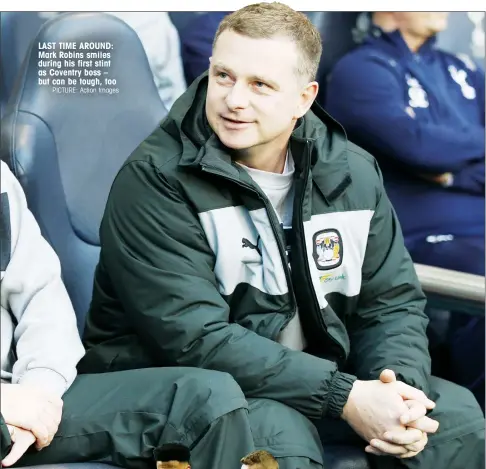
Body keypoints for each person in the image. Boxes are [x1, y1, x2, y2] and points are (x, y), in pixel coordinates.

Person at [80, 3, 485, 468]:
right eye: (224, 76)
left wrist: (398, 390)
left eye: (260, 85)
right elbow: (193, 337)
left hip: (309, 378)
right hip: (186, 387)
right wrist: (345, 396)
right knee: (273, 435)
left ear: (304, 98)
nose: (234, 99)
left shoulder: (351, 171)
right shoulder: (155, 178)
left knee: (450, 419)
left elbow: (390, 301)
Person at [0, 160, 321, 469]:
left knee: (277, 430)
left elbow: (43, 303)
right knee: (201, 404)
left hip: (24, 390)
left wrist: (38, 394)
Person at [324, 12, 485, 409]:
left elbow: (431, 153)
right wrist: (450, 156)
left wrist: (450, 175)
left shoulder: (459, 68)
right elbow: (418, 146)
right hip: (421, 237)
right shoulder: (360, 70)